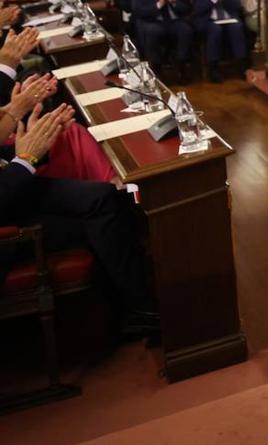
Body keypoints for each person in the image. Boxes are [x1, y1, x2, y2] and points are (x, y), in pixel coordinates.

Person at [0, 101, 158, 336]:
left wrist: (39, 141)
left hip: (10, 188)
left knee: (105, 196)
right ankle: (140, 310)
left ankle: (141, 299)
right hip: (6, 224)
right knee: (100, 222)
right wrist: (26, 158)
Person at [133, 0, 193, 80]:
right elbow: (138, 11)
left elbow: (187, 9)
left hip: (174, 21)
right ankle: (156, 71)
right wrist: (159, 4)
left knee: (185, 30)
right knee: (153, 31)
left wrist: (174, 2)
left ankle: (181, 67)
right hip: (152, 21)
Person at [191, 0, 247, 83]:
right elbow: (198, 9)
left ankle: (242, 65)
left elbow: (237, 6)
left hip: (228, 18)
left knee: (237, 27)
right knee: (214, 29)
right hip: (208, 20)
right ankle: (213, 68)